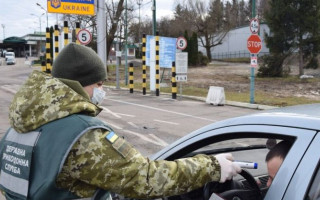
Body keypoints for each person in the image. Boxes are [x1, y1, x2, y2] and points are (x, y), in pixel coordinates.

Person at [0, 43, 241, 200]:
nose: (101, 91)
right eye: (99, 85)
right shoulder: (80, 135)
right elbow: (144, 178)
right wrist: (212, 166)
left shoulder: (16, 130)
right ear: (79, 85)